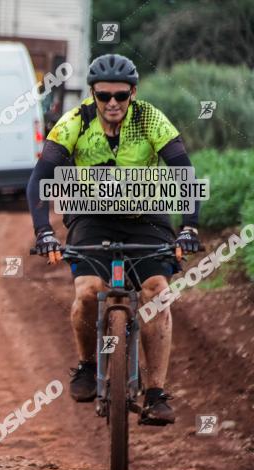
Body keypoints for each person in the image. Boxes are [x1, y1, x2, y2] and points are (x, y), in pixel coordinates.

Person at [27, 54, 202, 425]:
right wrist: (43, 231)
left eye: (120, 96)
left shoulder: (151, 118)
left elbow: (184, 173)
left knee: (156, 290)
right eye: (103, 95)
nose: (112, 104)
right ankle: (88, 366)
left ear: (133, 93)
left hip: (146, 216)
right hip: (91, 216)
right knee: (89, 290)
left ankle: (155, 392)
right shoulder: (74, 121)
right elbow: (40, 177)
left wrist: (189, 226)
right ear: (92, 93)